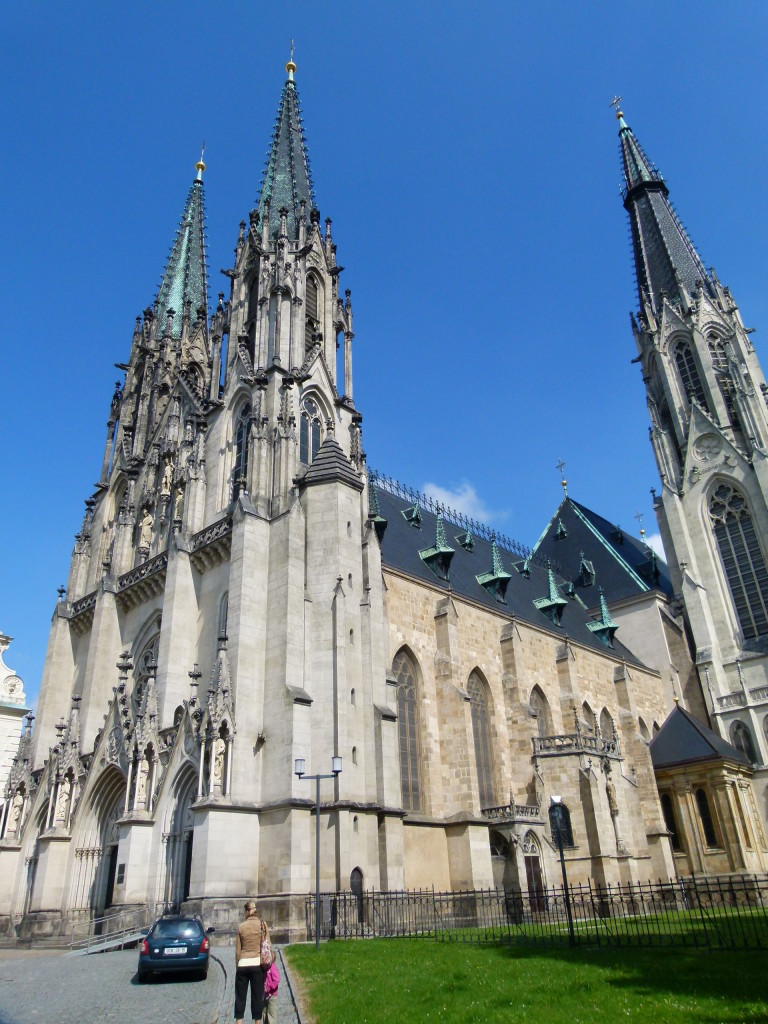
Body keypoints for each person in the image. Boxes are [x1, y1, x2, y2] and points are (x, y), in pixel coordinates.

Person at [235, 900, 269, 1024]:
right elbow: (268, 945)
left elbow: (238, 951)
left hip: (243, 964)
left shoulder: (241, 927)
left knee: (240, 997)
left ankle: (239, 1021)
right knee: (256, 996)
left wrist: (237, 965)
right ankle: (257, 1022)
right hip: (257, 964)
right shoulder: (262, 925)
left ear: (246, 912)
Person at [263, 959, 280, 1024]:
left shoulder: (272, 968)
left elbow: (277, 980)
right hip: (264, 994)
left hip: (272, 994)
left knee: (271, 1012)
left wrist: (269, 987)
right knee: (264, 1011)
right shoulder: (264, 968)